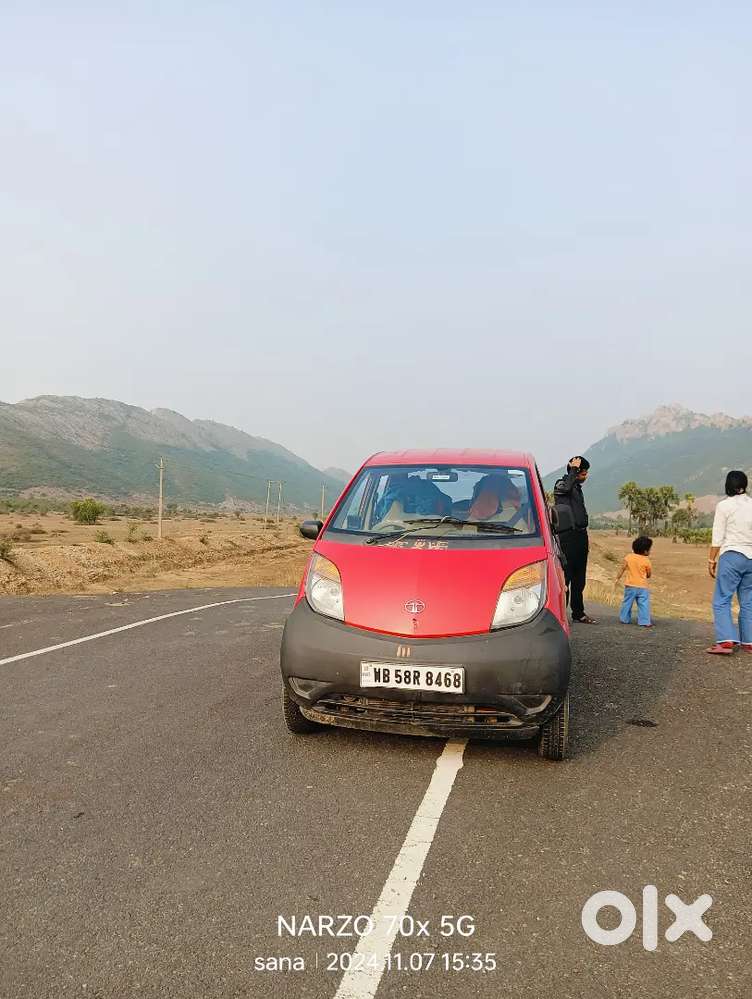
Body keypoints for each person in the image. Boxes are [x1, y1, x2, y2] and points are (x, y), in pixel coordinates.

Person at [706, 470, 752, 655]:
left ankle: (726, 641)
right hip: (751, 557)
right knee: (748, 601)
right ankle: (749, 642)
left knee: (722, 599)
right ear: (745, 485)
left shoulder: (724, 506)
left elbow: (717, 536)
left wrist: (711, 559)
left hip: (732, 555)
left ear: (728, 485)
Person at [554, 455, 596, 623]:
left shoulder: (577, 487)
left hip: (580, 536)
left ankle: (578, 613)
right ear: (577, 472)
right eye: (584, 472)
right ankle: (560, 614)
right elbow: (564, 490)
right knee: (566, 578)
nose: (586, 476)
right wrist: (573, 470)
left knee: (580, 578)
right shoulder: (561, 484)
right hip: (567, 537)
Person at [616, 536, 653, 627]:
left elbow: (622, 568)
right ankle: (645, 622)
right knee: (643, 604)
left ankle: (624, 619)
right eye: (649, 549)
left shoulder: (628, 557)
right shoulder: (646, 561)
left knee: (627, 602)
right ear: (645, 551)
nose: (650, 551)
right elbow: (649, 574)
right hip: (642, 587)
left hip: (630, 585)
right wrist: (646, 575)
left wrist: (617, 578)